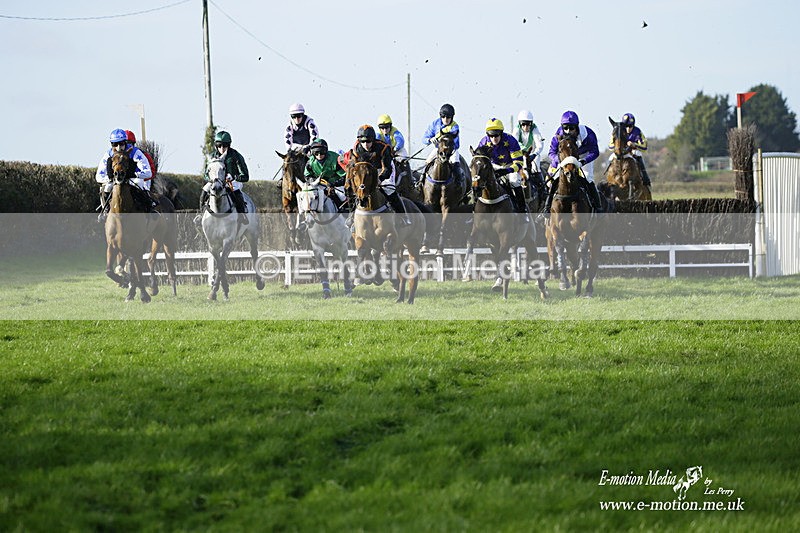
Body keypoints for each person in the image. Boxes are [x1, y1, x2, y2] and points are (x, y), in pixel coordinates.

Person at [541, 110, 603, 220]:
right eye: (565, 128)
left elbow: (595, 151)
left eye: (571, 128)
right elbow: (551, 152)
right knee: (555, 178)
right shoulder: (558, 135)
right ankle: (546, 208)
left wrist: (583, 161)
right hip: (565, 159)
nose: (568, 131)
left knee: (588, 178)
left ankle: (598, 208)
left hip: (583, 156)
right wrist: (559, 161)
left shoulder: (588, 134)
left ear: (577, 127)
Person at [349, 124, 411, 226]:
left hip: (383, 169)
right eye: (363, 142)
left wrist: (379, 179)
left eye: (368, 141)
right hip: (367, 171)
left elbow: (387, 169)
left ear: (373, 140)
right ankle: (352, 217)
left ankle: (403, 216)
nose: (365, 144)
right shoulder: (356, 148)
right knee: (356, 190)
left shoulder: (383, 147)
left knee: (388, 189)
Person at [95, 128, 155, 222]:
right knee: (106, 188)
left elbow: (148, 172)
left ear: (125, 142)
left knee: (140, 184)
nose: (118, 147)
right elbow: (99, 176)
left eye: (121, 144)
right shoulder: (108, 154)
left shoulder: (135, 152)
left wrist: (134, 174)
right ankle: (105, 210)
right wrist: (110, 178)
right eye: (115, 144)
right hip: (116, 180)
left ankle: (150, 209)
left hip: (132, 179)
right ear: (111, 144)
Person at [477, 118, 530, 222]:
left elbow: (519, 163)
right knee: (479, 182)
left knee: (514, 181)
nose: (494, 138)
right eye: (491, 136)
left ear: (501, 133)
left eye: (496, 135)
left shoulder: (510, 140)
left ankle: (523, 211)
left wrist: (507, 171)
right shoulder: (483, 142)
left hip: (510, 166)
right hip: (493, 166)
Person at [194, 130, 250, 226]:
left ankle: (242, 215)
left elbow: (245, 176)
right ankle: (201, 214)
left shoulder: (236, 155)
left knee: (236, 191)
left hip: (232, 181)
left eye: (224, 146)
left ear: (229, 145)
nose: (222, 148)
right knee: (204, 191)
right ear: (216, 146)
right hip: (216, 181)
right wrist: (211, 179)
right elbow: (205, 174)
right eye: (219, 146)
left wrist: (234, 177)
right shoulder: (212, 156)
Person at [420, 103, 464, 187]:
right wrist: (430, 139)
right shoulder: (435, 124)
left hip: (452, 151)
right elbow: (424, 138)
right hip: (438, 150)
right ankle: (420, 183)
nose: (445, 119)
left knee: (456, 163)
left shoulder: (455, 127)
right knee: (426, 163)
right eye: (443, 117)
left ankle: (459, 184)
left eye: (448, 117)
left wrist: (438, 138)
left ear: (452, 117)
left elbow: (450, 137)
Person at [303, 138, 347, 211]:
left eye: (322, 152)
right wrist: (314, 181)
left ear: (326, 151)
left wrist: (334, 184)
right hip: (319, 184)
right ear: (313, 153)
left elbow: (344, 176)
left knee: (341, 196)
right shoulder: (310, 163)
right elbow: (307, 176)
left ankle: (345, 212)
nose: (319, 155)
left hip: (336, 184)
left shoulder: (335, 159)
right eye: (316, 153)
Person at [610, 113, 651, 187]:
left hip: (632, 151)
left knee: (638, 154)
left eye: (630, 126)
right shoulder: (618, 130)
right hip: (620, 152)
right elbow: (610, 145)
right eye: (626, 126)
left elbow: (644, 146)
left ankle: (645, 178)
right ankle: (609, 178)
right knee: (610, 158)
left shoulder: (637, 131)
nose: (628, 129)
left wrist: (634, 145)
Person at [514, 110, 547, 199]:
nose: (526, 127)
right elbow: (514, 142)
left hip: (533, 154)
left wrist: (534, 154)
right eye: (523, 124)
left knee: (536, 168)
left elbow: (539, 145)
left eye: (528, 124)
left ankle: (543, 191)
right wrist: (523, 151)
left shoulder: (535, 129)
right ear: (520, 124)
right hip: (520, 154)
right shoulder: (516, 129)